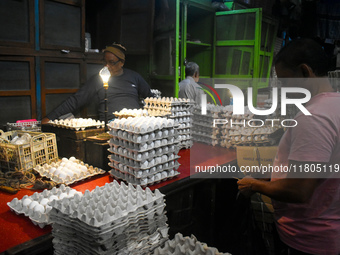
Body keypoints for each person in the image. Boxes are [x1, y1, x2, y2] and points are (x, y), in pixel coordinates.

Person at [237, 38, 340, 255]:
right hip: (329, 230)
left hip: (307, 238)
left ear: (305, 72)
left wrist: (254, 186)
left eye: (284, 82)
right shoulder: (335, 105)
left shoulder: (314, 117)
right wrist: (273, 175)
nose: (282, 90)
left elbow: (299, 190)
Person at [41, 43, 154, 123]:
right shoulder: (98, 79)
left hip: (136, 123)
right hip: (112, 123)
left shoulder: (134, 77)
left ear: (122, 63)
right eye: (104, 62)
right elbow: (76, 100)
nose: (106, 66)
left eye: (111, 62)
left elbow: (151, 98)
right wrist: (50, 117)